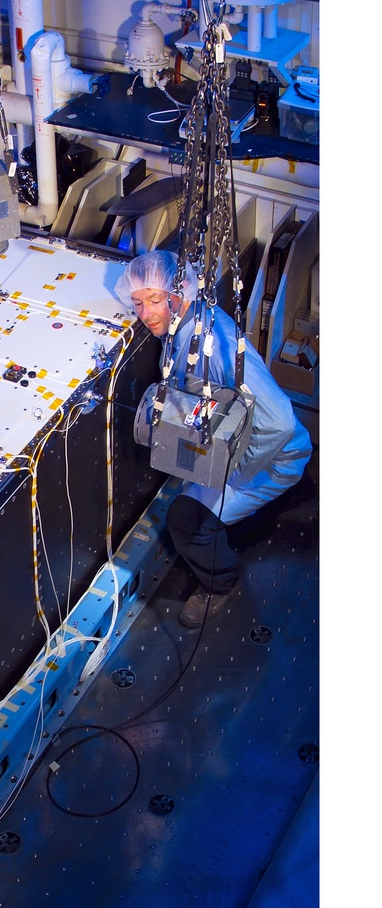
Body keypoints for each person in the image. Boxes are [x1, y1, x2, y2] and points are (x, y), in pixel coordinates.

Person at [115, 250, 312, 630]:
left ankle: (221, 583)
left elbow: (280, 423)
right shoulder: (183, 323)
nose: (146, 314)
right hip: (268, 447)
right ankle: (296, 489)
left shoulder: (217, 343)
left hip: (272, 459)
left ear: (181, 291)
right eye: (138, 303)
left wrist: (228, 470)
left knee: (184, 520)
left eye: (155, 301)